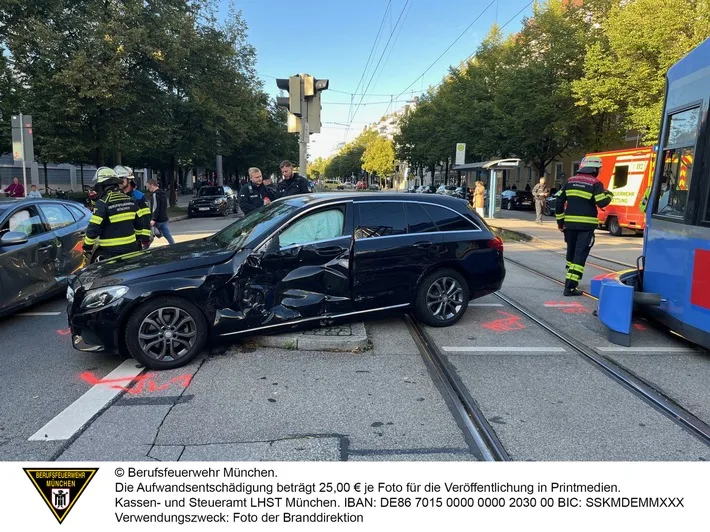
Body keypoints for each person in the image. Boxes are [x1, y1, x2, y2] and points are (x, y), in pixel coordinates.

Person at [555, 156, 613, 296]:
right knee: (579, 256)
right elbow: (602, 202)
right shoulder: (595, 183)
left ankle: (569, 279)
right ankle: (570, 287)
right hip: (586, 227)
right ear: (595, 169)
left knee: (571, 253)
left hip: (569, 225)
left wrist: (560, 222)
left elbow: (558, 201)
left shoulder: (570, 181)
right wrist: (609, 194)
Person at [82, 167, 148, 260]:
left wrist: (87, 247)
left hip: (111, 251)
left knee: (115, 274)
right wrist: (137, 239)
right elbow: (140, 224)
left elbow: (94, 227)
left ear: (103, 186)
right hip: (131, 248)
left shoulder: (103, 203)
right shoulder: (130, 200)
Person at [116, 166, 152, 247]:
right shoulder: (115, 196)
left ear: (129, 179)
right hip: (121, 238)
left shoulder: (139, 196)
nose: (119, 181)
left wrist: (145, 238)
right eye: (117, 179)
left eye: (122, 178)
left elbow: (146, 218)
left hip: (136, 238)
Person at [147, 179, 175, 245]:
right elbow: (164, 206)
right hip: (164, 218)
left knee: (149, 236)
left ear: (152, 185)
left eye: (148, 186)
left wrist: (153, 219)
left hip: (157, 220)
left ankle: (144, 249)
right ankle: (173, 246)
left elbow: (155, 207)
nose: (148, 189)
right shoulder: (163, 193)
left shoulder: (155, 194)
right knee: (167, 235)